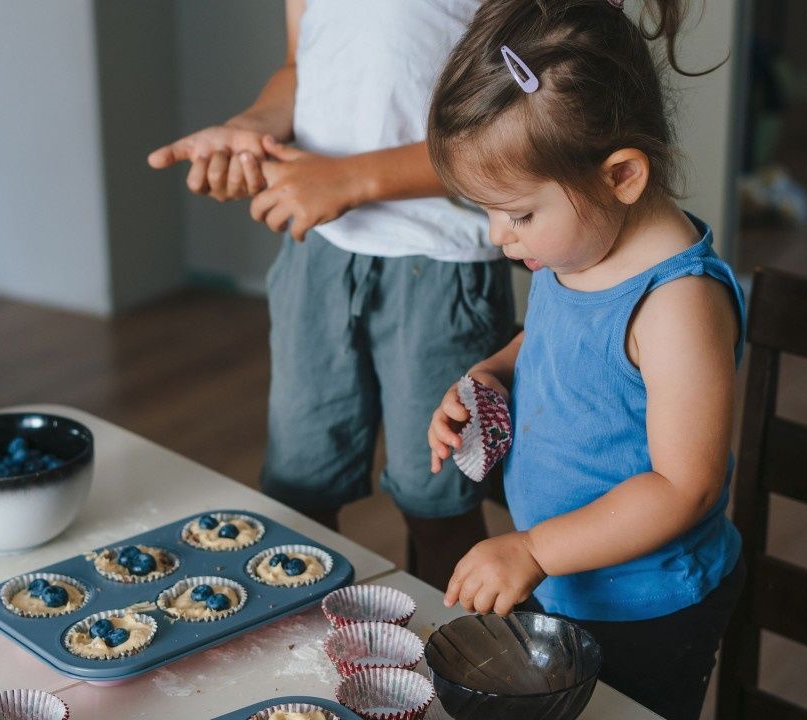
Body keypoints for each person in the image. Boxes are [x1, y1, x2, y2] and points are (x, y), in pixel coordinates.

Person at [424, 1, 745, 718]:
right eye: (487, 210)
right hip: (562, 572)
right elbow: (552, 341)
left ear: (621, 175)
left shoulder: (676, 305)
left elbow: (683, 485)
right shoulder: (575, 246)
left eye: (517, 213)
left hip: (644, 606)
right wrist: (493, 373)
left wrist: (534, 549)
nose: (498, 236)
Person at [148, 0, 515, 589]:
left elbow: (511, 127)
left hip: (441, 266)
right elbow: (301, 67)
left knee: (438, 501)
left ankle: (454, 664)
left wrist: (350, 178)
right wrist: (251, 126)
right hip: (316, 255)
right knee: (300, 492)